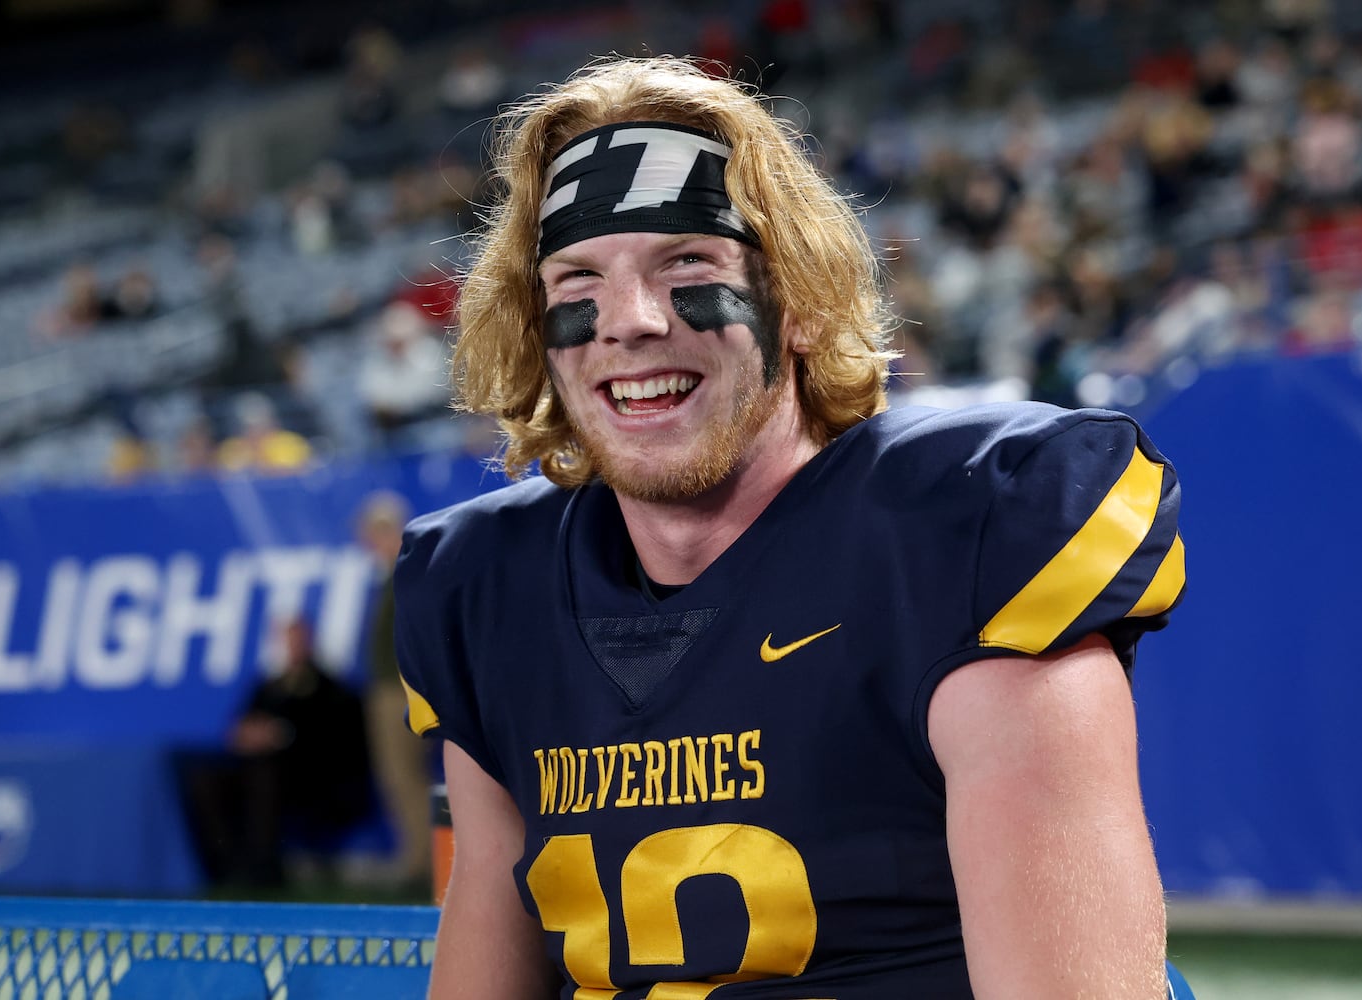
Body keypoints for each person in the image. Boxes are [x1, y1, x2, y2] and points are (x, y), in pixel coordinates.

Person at [393, 56, 1187, 998]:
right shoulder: (487, 588)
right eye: (578, 282)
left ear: (801, 300)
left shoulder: (958, 534)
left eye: (686, 262)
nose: (630, 321)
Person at [183, 615, 374, 888]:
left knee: (266, 778)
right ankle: (227, 866)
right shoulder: (267, 686)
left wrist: (282, 735)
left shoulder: (332, 690)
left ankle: (265, 872)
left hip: (311, 779)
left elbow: (334, 743)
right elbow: (241, 726)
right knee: (206, 779)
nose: (292, 646)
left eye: (297, 639)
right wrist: (247, 735)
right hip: (257, 770)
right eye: (286, 639)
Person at [355, 490, 435, 895]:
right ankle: (417, 859)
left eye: (374, 532)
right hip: (391, 688)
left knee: (404, 776)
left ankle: (421, 864)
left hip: (399, 691)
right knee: (396, 778)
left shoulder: (406, 573)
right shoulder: (392, 575)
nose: (369, 541)